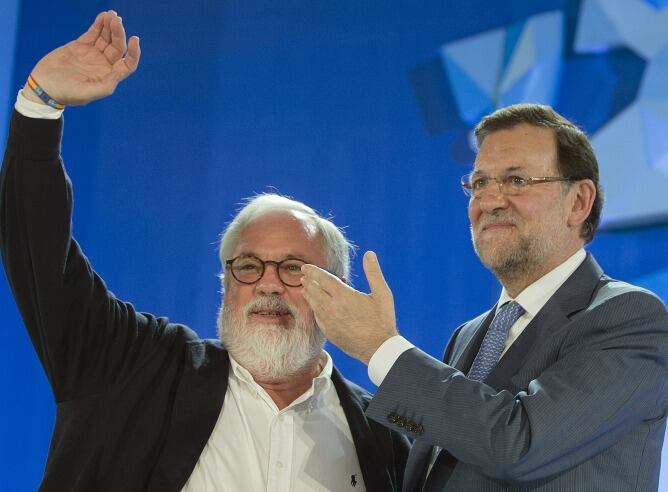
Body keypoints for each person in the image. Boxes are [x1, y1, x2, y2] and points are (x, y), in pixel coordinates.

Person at [0, 11, 409, 491]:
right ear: (227, 284)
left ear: (335, 292)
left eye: (294, 268)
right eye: (249, 266)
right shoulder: (133, 369)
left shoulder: (382, 440)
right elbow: (41, 258)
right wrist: (40, 106)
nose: (269, 283)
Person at [301, 104, 668, 490]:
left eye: (516, 181)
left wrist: (379, 347)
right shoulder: (469, 335)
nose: (489, 201)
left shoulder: (630, 319)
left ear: (578, 201)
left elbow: (519, 445)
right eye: (479, 183)